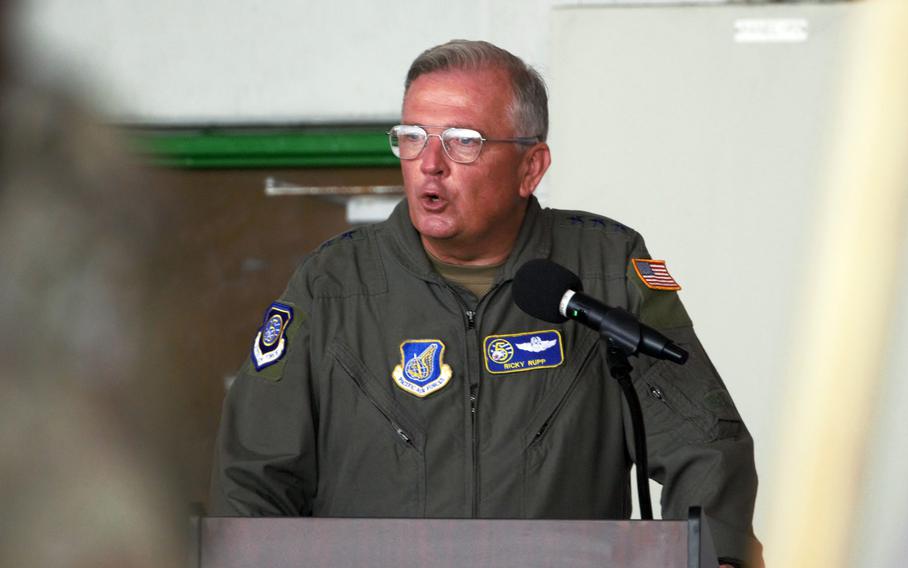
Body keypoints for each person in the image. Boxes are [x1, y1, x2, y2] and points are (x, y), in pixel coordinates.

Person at [211, 40, 762, 567]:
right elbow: (253, 477)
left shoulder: (607, 269)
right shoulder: (331, 284)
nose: (430, 163)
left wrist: (719, 556)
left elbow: (705, 442)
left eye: (463, 141)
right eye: (412, 137)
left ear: (531, 167)